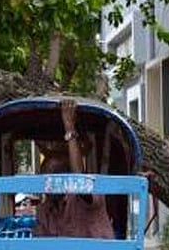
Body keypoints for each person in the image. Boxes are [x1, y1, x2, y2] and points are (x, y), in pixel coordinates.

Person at [35, 99, 114, 239]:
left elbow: (79, 179)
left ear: (67, 179)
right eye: (45, 177)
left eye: (55, 175)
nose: (49, 186)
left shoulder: (86, 196)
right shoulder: (44, 210)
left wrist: (70, 129)